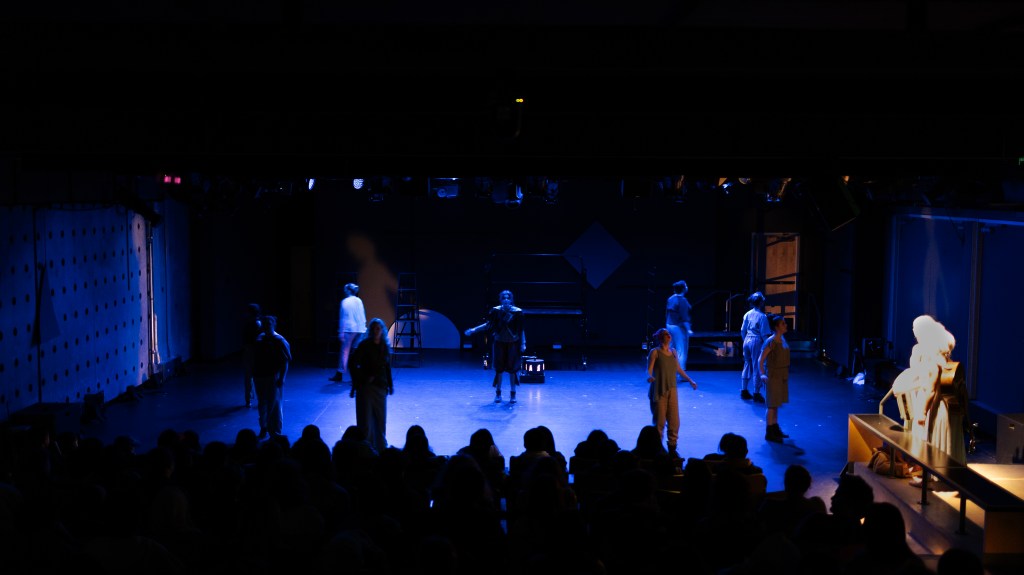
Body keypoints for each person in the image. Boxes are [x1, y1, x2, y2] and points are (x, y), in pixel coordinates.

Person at [464, 289, 526, 404]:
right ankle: (498, 393)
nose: (506, 300)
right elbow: (488, 325)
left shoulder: (517, 312)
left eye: (508, 298)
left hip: (513, 343)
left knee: (513, 370)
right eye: (504, 298)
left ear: (511, 300)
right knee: (499, 369)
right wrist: (474, 330)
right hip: (499, 343)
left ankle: (513, 394)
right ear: (501, 300)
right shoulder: (496, 311)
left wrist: (523, 343)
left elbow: (521, 329)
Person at [646, 327, 698, 456]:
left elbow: (678, 369)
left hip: (672, 390)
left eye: (668, 333)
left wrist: (690, 380)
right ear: (660, 338)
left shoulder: (673, 352)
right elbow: (648, 370)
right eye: (665, 334)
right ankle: (658, 449)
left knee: (674, 421)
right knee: (659, 422)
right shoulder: (655, 352)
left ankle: (672, 447)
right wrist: (649, 377)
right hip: (659, 389)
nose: (668, 335)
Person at [348, 317, 393, 454]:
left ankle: (380, 447)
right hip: (366, 387)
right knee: (365, 419)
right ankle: (366, 448)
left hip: (380, 387)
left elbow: (387, 367)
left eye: (378, 329)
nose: (376, 331)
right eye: (373, 329)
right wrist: (360, 380)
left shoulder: (384, 346)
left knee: (380, 419)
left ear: (382, 331)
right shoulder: (365, 345)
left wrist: (390, 385)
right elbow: (353, 363)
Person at [252, 315, 291, 439]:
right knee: (262, 403)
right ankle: (264, 427)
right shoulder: (260, 339)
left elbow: (285, 361)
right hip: (260, 375)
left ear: (274, 324)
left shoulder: (279, 340)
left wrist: (282, 378)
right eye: (264, 324)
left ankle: (275, 432)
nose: (266, 326)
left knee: (274, 405)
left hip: (272, 376)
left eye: (268, 324)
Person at [758, 314, 790, 442]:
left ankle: (775, 428)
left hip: (782, 375)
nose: (785, 325)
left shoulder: (782, 339)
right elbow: (761, 359)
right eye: (783, 324)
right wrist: (762, 373)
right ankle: (769, 432)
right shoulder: (771, 341)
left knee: (776, 403)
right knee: (771, 405)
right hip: (773, 375)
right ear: (776, 327)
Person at [329, 282, 367, 383]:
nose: (344, 291)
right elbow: (362, 315)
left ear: (348, 290)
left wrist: (341, 332)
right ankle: (356, 376)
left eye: (345, 289)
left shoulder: (345, 301)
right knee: (356, 353)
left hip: (349, 329)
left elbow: (343, 318)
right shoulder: (359, 300)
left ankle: (340, 374)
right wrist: (364, 328)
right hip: (360, 329)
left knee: (344, 352)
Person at [739, 292, 771, 403]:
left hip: (747, 339)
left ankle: (744, 390)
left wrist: (745, 341)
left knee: (747, 364)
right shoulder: (762, 317)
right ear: (761, 302)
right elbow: (764, 335)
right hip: (756, 341)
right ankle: (756, 393)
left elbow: (742, 330)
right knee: (757, 366)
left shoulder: (747, 314)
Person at [665, 279, 693, 371]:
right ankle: (681, 371)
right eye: (686, 286)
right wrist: (688, 329)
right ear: (684, 289)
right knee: (681, 350)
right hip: (678, 327)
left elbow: (667, 313)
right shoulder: (682, 301)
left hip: (669, 325)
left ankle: (669, 368)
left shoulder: (670, 298)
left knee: (671, 347)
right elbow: (684, 318)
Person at [241, 303, 262, 408]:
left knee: (251, 376)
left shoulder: (254, 324)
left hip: (253, 351)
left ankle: (249, 399)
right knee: (252, 376)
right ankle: (251, 398)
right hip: (252, 350)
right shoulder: (256, 323)